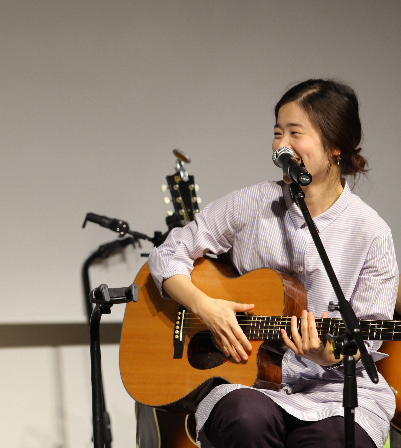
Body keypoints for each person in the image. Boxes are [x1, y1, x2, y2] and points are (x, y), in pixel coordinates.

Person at [147, 79, 397, 448]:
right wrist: (207, 307)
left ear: (335, 147)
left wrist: (325, 354)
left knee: (334, 441)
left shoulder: (371, 232)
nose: (281, 146)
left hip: (337, 393)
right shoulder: (253, 203)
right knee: (243, 417)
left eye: (295, 133)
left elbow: (368, 335)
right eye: (277, 133)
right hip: (252, 383)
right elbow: (167, 254)